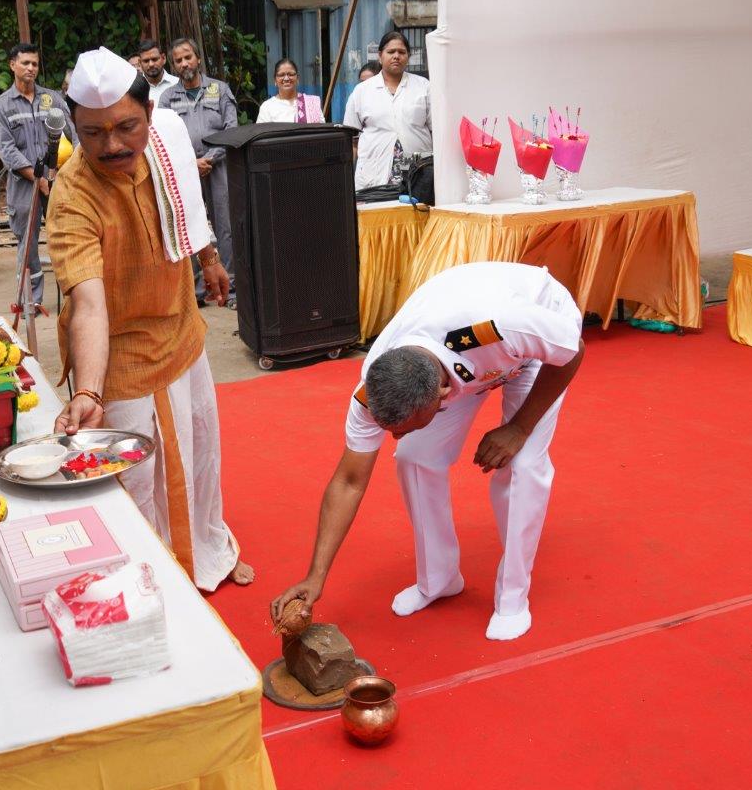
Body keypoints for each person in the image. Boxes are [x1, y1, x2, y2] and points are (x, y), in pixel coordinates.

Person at [270, 262, 585, 641]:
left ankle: (513, 597)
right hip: (467, 362)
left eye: (402, 429)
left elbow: (572, 352)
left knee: (522, 463)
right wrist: (315, 575)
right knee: (414, 457)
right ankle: (439, 579)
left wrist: (518, 429)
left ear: (441, 397)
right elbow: (349, 480)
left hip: (533, 347)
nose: (396, 437)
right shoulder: (376, 386)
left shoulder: (502, 324)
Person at [48, 46, 254, 591]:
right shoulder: (71, 197)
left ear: (149, 113)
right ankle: (151, 581)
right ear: (74, 126)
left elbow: (187, 200)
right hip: (121, 353)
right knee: (135, 479)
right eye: (92, 133)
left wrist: (209, 258)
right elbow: (88, 302)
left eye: (125, 127)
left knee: (200, 448)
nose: (111, 145)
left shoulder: (165, 138)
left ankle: (209, 550)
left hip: (180, 326)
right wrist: (88, 392)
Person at [0, 42, 75, 308]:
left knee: (66, 237)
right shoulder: (2, 106)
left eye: (35, 64)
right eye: (25, 63)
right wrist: (37, 178)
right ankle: (30, 302)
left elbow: (73, 137)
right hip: (25, 185)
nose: (30, 68)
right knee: (27, 245)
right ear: (12, 65)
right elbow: (7, 150)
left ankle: (75, 295)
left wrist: (59, 174)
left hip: (58, 183)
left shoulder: (52, 99)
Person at [158, 38, 238, 306]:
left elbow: (231, 129)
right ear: (174, 65)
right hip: (184, 172)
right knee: (186, 226)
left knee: (224, 226)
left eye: (188, 57)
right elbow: (163, 136)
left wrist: (209, 159)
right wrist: (191, 163)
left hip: (219, 168)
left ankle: (231, 285)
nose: (184, 63)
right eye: (179, 60)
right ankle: (196, 291)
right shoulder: (168, 98)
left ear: (198, 58)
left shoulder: (220, 89)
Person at [342, 32, 432, 191]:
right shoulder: (362, 91)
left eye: (402, 52)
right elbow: (350, 139)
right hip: (374, 176)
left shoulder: (423, 87)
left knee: (417, 213)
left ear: (408, 56)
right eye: (391, 52)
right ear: (380, 56)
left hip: (419, 174)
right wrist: (344, 176)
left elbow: (436, 130)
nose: (396, 56)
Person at [256, 58, 324, 124]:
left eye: (291, 74)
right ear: (275, 80)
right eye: (281, 75)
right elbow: (261, 133)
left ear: (297, 78)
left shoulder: (311, 103)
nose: (286, 78)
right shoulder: (267, 107)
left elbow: (321, 131)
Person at [136, 39, 178, 105]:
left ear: (163, 58)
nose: (151, 64)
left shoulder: (177, 84)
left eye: (154, 59)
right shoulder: (135, 88)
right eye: (146, 61)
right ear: (140, 63)